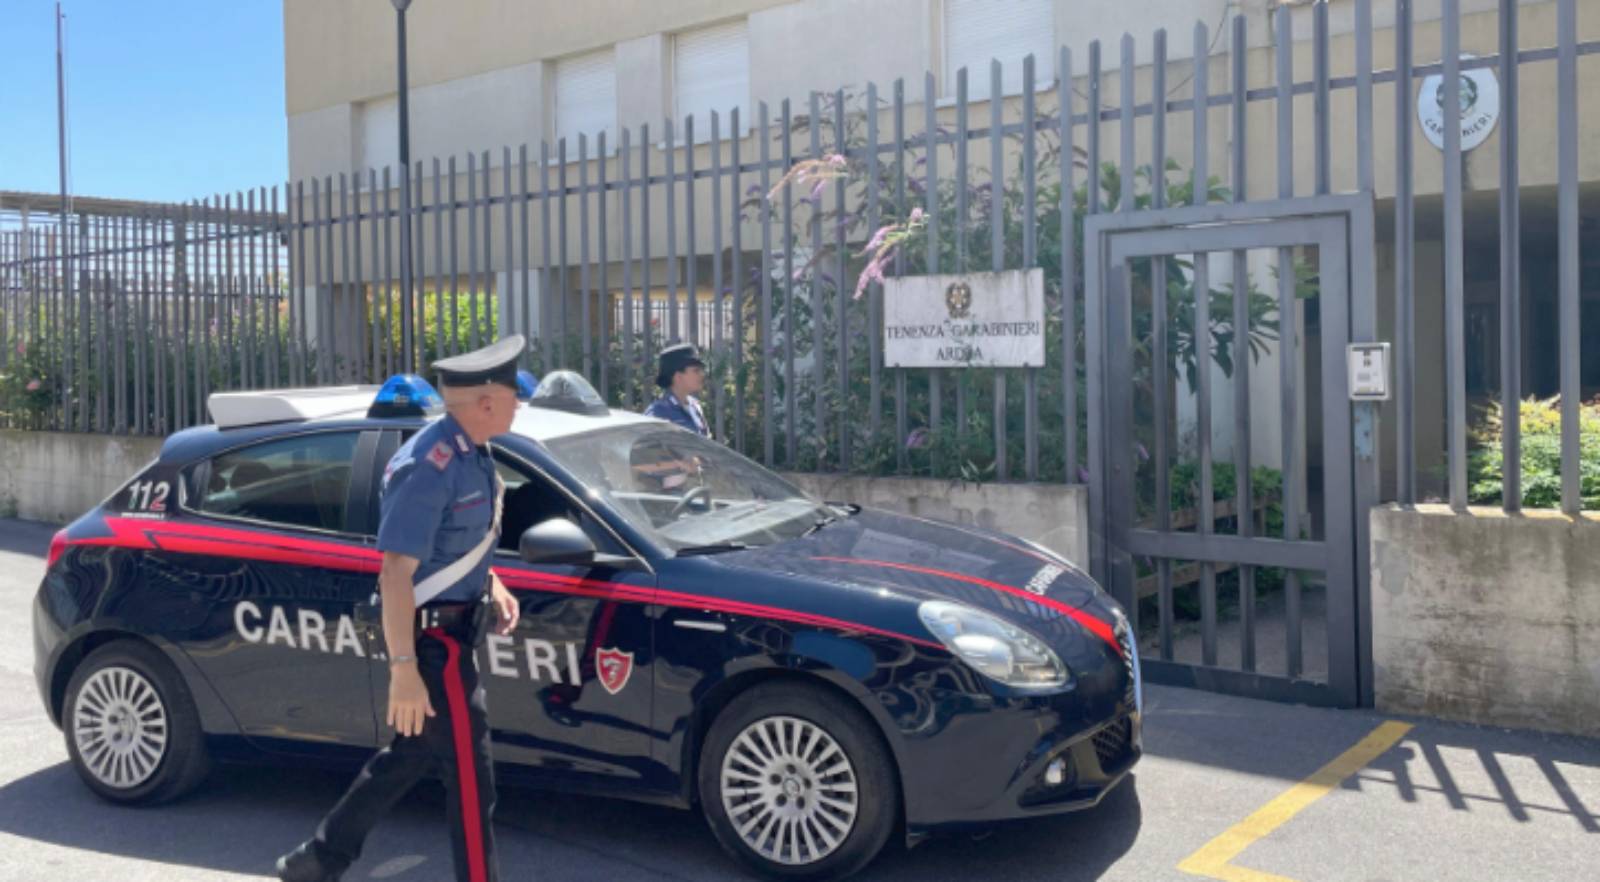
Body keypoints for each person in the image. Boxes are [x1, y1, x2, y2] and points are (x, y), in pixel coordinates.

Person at [276, 335, 526, 882]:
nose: (518, 404)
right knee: (471, 783)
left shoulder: (474, 452)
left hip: (454, 634)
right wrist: (404, 670)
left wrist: (495, 583)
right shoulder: (429, 466)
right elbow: (395, 573)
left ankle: (318, 859)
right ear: (485, 402)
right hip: (435, 646)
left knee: (407, 757)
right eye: (513, 395)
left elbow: (455, 546)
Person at [644, 342, 710, 437]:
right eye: (696, 371)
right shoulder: (658, 412)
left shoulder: (695, 406)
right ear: (678, 376)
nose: (702, 375)